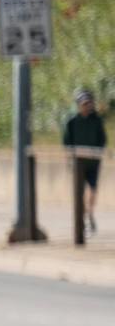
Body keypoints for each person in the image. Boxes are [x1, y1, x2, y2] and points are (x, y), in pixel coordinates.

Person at [63, 87, 106, 234]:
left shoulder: (97, 119)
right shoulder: (72, 120)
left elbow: (102, 139)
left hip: (93, 162)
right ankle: (80, 219)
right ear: (78, 104)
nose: (87, 106)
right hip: (78, 163)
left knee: (93, 189)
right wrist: (71, 155)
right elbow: (67, 141)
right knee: (79, 193)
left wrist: (99, 152)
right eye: (84, 103)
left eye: (89, 103)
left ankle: (89, 214)